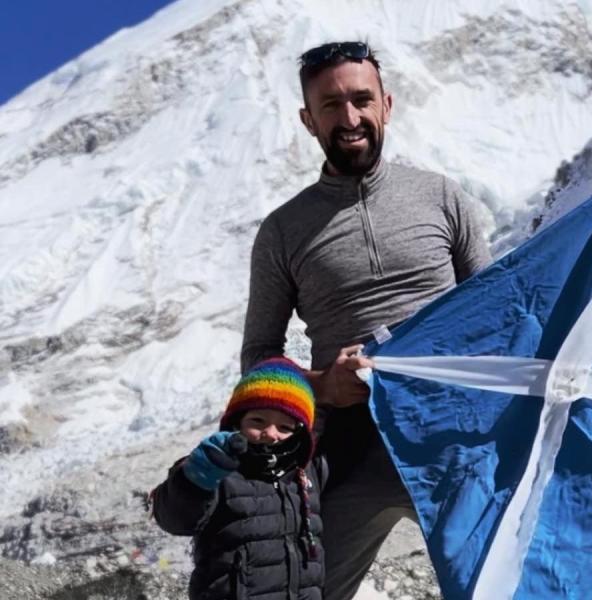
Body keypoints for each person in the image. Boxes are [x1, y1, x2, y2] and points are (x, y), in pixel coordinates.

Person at [240, 41, 492, 600]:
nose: (349, 118)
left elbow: (501, 312)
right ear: (309, 120)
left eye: (361, 100)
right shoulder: (283, 231)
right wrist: (323, 384)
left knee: (502, 587)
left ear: (387, 105)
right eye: (330, 105)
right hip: (351, 449)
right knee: (298, 591)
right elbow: (258, 358)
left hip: (459, 441)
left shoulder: (442, 198)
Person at [151, 357, 325, 600]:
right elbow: (174, 520)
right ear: (237, 420)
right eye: (258, 420)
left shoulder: (306, 474)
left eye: (285, 427)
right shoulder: (215, 465)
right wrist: (193, 480)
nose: (270, 433)